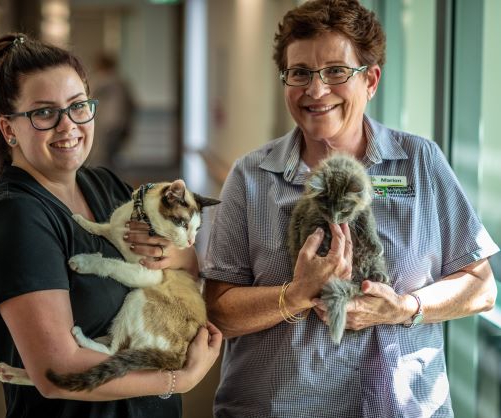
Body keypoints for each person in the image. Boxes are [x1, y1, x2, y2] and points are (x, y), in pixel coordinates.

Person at [202, 0, 499, 417]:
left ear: (371, 80)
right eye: (300, 73)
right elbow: (219, 311)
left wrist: (403, 308)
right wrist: (294, 295)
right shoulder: (252, 176)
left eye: (336, 72)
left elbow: (481, 287)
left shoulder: (419, 162)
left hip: (400, 407)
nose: (316, 90)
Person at [0, 33, 221, 418]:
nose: (68, 126)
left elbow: (187, 270)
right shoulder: (17, 218)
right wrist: (176, 380)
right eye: (44, 113)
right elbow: (58, 372)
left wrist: (171, 253)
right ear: (9, 129)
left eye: (78, 106)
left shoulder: (106, 185)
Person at [87, 51, 136, 171]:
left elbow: (87, 97)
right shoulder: (121, 81)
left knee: (104, 155)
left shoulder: (100, 80)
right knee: (112, 154)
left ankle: (106, 181)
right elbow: (133, 104)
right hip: (120, 121)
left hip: (106, 122)